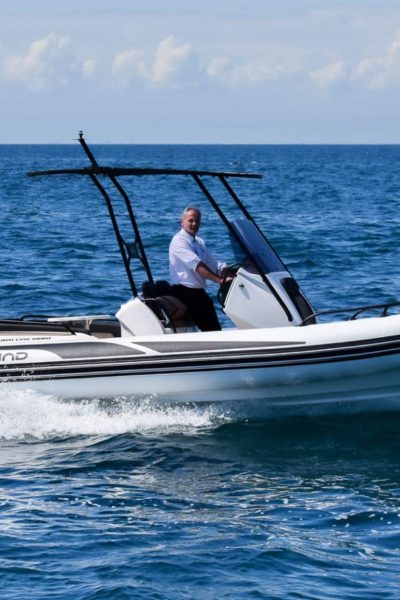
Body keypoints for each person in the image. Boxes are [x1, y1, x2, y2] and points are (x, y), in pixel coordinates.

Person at [169, 206, 231, 332]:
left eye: (197, 221)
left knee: (213, 319)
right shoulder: (179, 241)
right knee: (211, 327)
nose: (194, 224)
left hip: (197, 291)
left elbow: (213, 264)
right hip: (183, 291)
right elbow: (197, 266)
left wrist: (229, 271)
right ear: (182, 222)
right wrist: (219, 280)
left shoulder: (199, 242)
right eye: (190, 220)